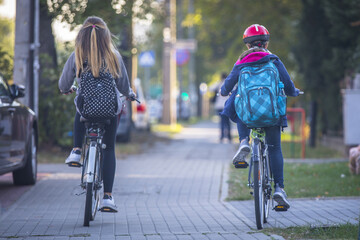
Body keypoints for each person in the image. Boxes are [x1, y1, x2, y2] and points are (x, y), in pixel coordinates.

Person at [59, 16, 135, 212]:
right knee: (109, 149)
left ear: (82, 34)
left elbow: (63, 84)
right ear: (106, 36)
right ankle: (108, 197)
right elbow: (124, 86)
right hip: (109, 113)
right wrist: (130, 94)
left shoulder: (77, 55)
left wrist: (67, 89)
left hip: (86, 112)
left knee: (81, 107)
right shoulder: (114, 56)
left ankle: (76, 150)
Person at [220, 24, 300, 209]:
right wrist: (294, 92)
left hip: (248, 116)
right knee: (274, 148)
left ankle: (244, 142)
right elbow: (288, 85)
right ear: (266, 43)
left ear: (247, 45)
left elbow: (226, 88)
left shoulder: (241, 62)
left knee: (238, 102)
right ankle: (279, 188)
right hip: (272, 115)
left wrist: (225, 91)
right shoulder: (273, 60)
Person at [210, 73, 232, 143]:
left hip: (220, 106)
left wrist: (218, 83)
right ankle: (229, 136)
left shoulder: (218, 84)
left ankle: (222, 136)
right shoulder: (229, 83)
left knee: (222, 121)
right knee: (228, 122)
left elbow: (211, 88)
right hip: (228, 105)